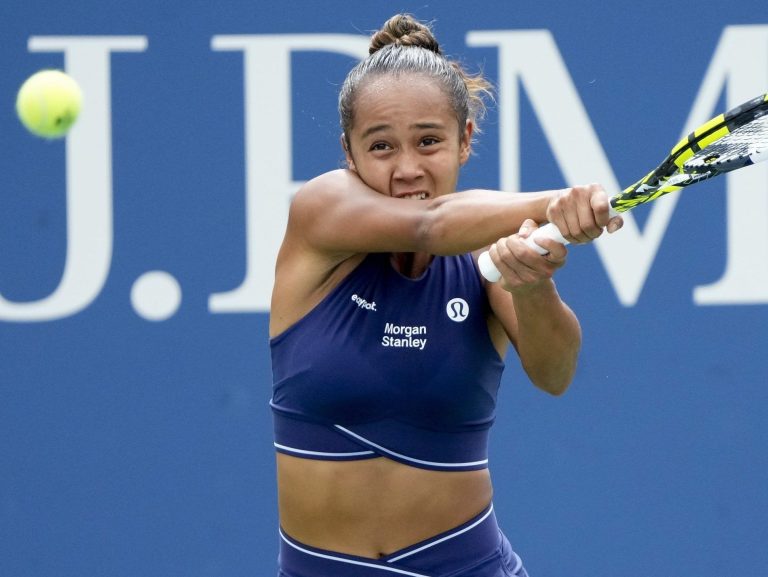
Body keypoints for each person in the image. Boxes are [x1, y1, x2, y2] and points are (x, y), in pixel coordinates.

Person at [269, 13, 622, 577]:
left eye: (429, 141)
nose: (407, 168)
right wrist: (559, 203)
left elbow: (555, 373)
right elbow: (429, 224)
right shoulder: (320, 213)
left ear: (464, 140)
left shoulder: (491, 252)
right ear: (348, 154)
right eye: (381, 146)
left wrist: (533, 286)